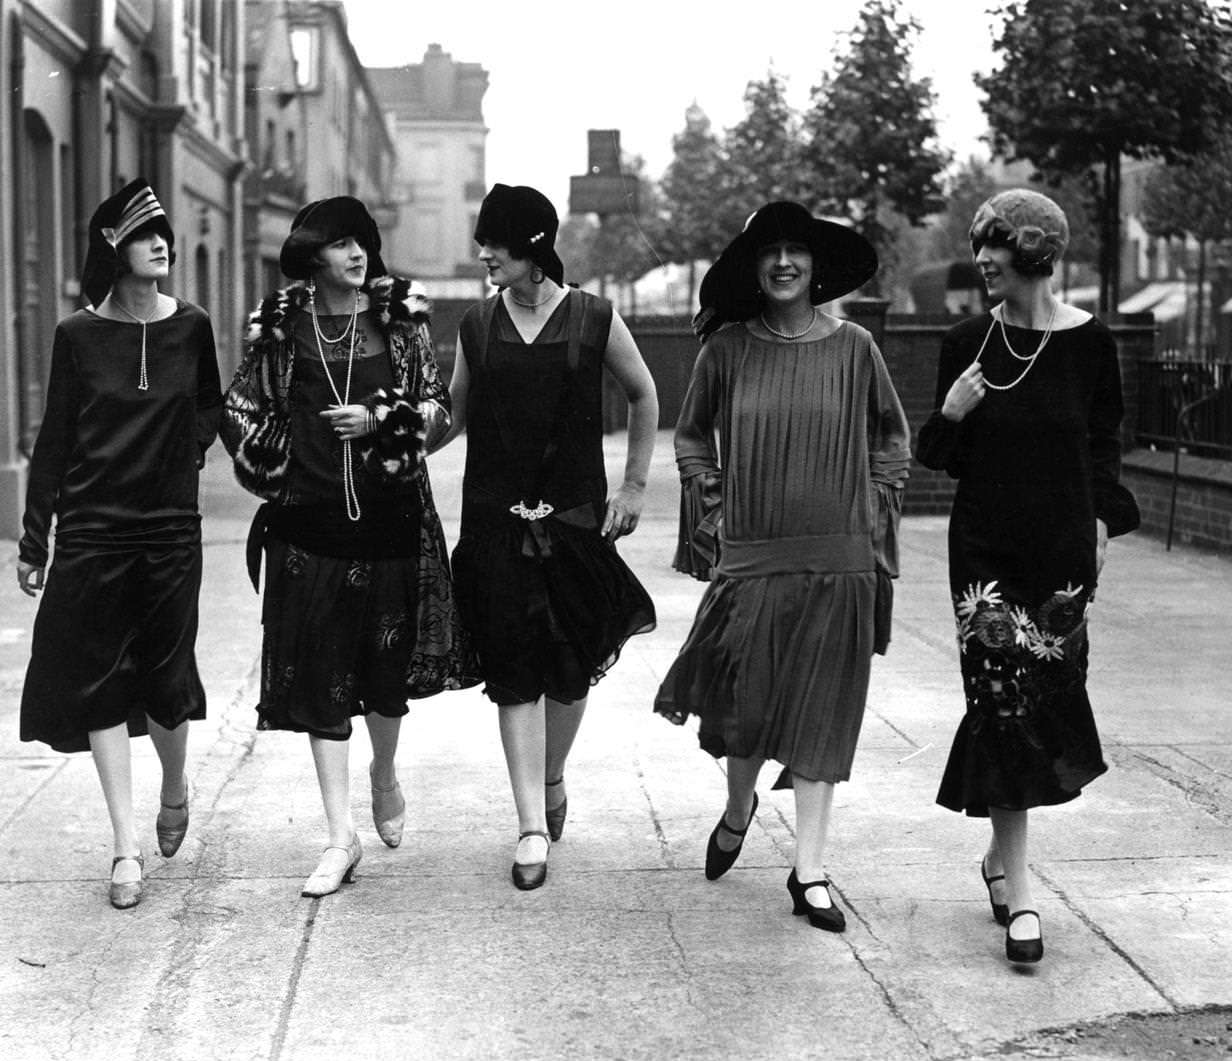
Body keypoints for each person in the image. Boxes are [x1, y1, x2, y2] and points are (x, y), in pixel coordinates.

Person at [655, 201, 909, 934]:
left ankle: (811, 869)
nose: (785, 263)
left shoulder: (856, 346)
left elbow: (892, 436)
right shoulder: (728, 350)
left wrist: (875, 508)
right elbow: (692, 435)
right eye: (771, 252)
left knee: (824, 713)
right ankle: (739, 808)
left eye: (797, 250)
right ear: (754, 267)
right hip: (754, 554)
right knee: (744, 705)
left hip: (840, 557)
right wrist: (713, 512)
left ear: (815, 265)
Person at [221, 196, 477, 898]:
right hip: (310, 528)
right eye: (339, 245)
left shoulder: (399, 322)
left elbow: (437, 405)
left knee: (385, 684)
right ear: (312, 257)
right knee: (323, 681)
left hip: (390, 520)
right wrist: (281, 465)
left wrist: (380, 418)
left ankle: (385, 773)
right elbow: (240, 409)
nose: (356, 254)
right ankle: (340, 835)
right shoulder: (281, 328)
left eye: (361, 241)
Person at [915, 189, 1140, 964]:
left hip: (1060, 556)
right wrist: (951, 410)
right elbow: (934, 457)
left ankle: (996, 859)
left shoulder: (1091, 344)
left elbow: (1104, 445)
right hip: (983, 556)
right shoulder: (966, 342)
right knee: (1000, 703)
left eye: (996, 244)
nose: (982, 257)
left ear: (1035, 253)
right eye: (980, 244)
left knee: (1043, 705)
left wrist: (1104, 523)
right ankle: (1026, 897)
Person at [438, 183, 657, 891]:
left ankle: (553, 771)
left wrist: (632, 487)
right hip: (495, 523)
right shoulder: (477, 326)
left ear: (532, 249)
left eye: (494, 244)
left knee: (570, 667)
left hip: (574, 522)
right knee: (513, 674)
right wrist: (397, 432)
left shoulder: (593, 318)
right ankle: (530, 822)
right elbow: (453, 416)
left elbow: (644, 393)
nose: (484, 255)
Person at [18, 179, 222, 910]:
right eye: (145, 234)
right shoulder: (76, 335)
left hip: (169, 530)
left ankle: (174, 786)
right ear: (115, 249)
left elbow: (209, 409)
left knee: (168, 684)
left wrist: (181, 457)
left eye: (164, 231)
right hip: (95, 530)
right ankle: (124, 845)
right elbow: (55, 439)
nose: (161, 242)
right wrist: (34, 537)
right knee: (102, 680)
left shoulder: (191, 325)